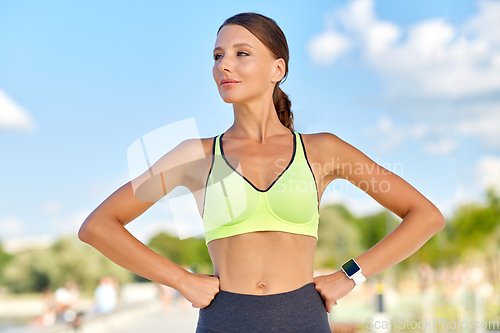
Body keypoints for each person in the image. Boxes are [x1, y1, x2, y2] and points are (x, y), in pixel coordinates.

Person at [78, 12, 446, 333]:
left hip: (304, 320)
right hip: (224, 321)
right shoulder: (194, 156)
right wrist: (181, 280)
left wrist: (350, 275)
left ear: (278, 69)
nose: (224, 65)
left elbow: (425, 216)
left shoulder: (321, 150)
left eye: (242, 54)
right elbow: (99, 226)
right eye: (218, 56)